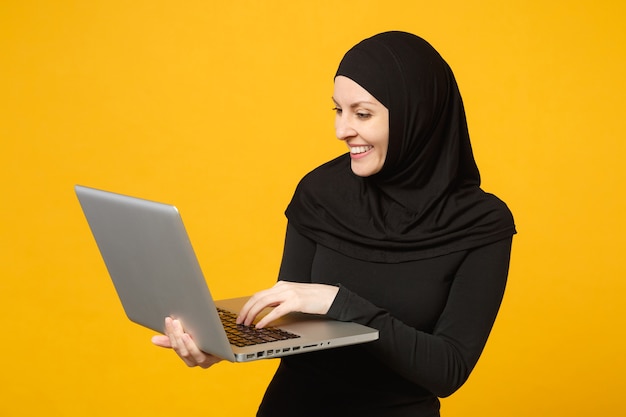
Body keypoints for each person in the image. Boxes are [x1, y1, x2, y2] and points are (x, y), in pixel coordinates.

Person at [152, 31, 516, 416]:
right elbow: (291, 319)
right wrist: (221, 346)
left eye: (362, 113)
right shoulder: (320, 191)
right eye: (337, 111)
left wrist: (339, 302)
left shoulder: (481, 223)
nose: (342, 131)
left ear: (417, 114)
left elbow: (448, 370)